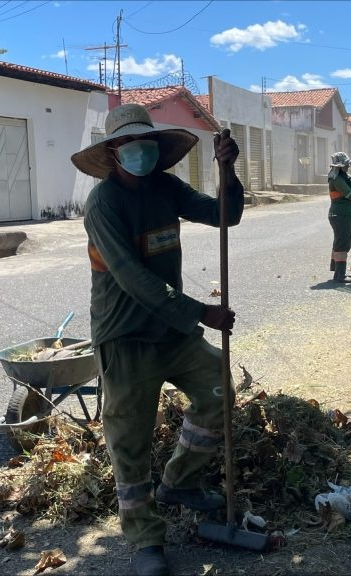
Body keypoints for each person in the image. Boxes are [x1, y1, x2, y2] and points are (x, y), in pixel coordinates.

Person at [71, 103, 244, 576]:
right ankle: (146, 538)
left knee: (217, 392)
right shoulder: (103, 205)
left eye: (146, 145)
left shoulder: (166, 187)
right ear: (113, 152)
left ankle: (180, 481)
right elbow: (132, 278)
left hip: (172, 332)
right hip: (125, 336)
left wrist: (226, 172)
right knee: (130, 440)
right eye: (130, 146)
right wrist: (200, 312)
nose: (140, 154)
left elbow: (223, 215)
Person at [327, 151, 351, 283]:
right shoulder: (337, 179)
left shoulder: (342, 176)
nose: (348, 166)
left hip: (342, 215)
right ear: (339, 166)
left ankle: (337, 272)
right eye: (346, 165)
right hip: (340, 215)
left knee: (339, 241)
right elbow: (349, 194)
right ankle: (340, 275)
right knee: (342, 243)